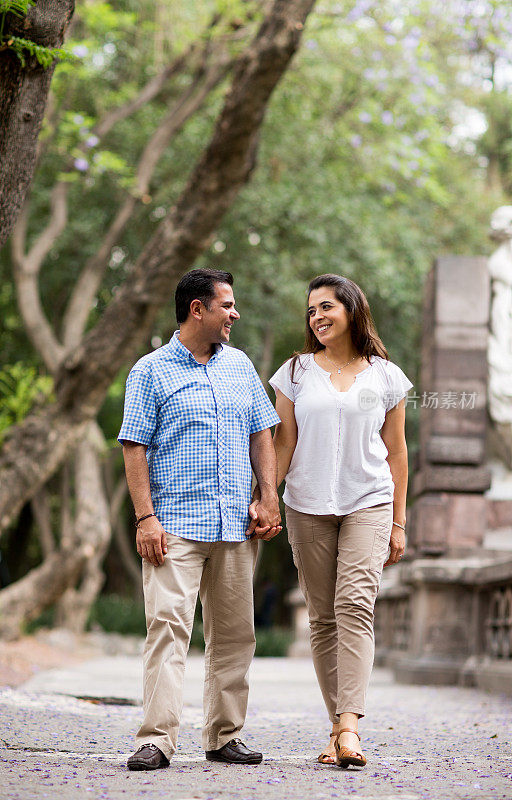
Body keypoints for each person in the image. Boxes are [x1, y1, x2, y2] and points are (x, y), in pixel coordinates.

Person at [119, 268, 281, 770]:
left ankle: (224, 735)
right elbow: (134, 446)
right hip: (175, 527)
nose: (235, 314)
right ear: (198, 309)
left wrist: (268, 496)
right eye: (227, 305)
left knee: (234, 634)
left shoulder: (240, 367)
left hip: (234, 524)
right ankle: (157, 739)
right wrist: (145, 518)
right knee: (167, 629)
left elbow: (261, 434)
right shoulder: (150, 370)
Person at [266, 273, 413, 769]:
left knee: (354, 605)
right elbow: (283, 442)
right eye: (311, 311)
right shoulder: (295, 372)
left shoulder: (386, 376)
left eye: (326, 306)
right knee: (322, 617)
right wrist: (266, 496)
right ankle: (337, 728)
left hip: (369, 500)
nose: (317, 317)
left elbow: (396, 453)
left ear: (351, 308)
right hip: (306, 503)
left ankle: (349, 728)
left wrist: (399, 521)